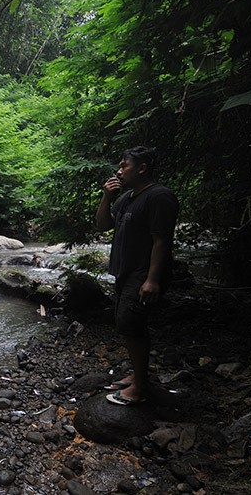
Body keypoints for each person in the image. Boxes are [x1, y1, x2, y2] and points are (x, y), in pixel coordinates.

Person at [95, 146, 179, 405]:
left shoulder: (159, 196)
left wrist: (152, 279)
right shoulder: (128, 197)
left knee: (131, 325)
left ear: (142, 168)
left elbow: (162, 240)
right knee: (129, 325)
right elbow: (103, 226)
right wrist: (107, 198)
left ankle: (140, 389)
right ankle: (138, 375)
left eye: (124, 166)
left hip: (143, 274)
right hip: (125, 272)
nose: (119, 171)